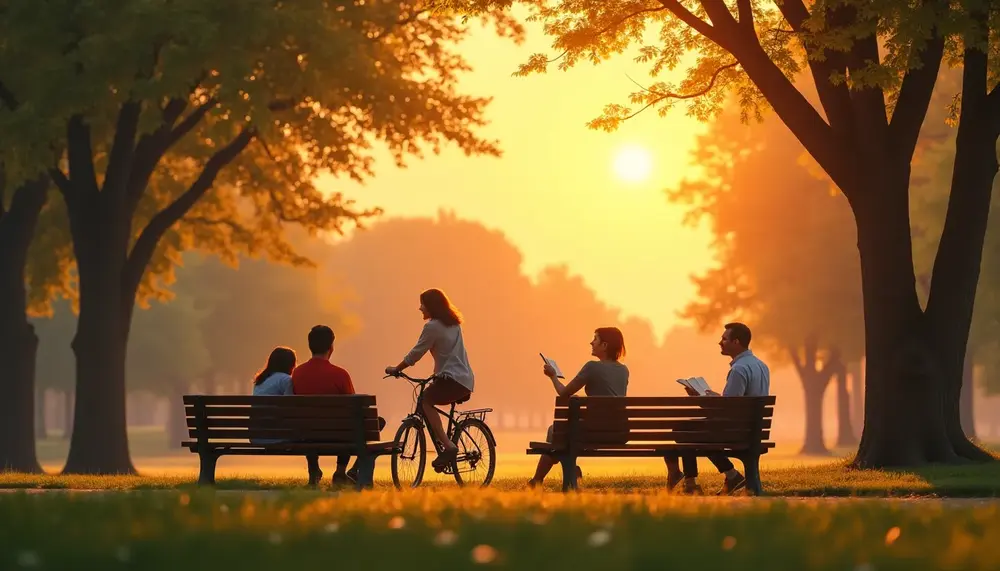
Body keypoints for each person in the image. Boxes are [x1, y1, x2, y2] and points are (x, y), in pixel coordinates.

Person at [664, 321, 770, 495]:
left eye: (724, 339)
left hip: (735, 430)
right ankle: (728, 475)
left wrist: (701, 398)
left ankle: (693, 483)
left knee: (682, 430)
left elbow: (727, 410)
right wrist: (713, 397)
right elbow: (735, 403)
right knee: (690, 430)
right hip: (752, 429)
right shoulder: (761, 366)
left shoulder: (739, 369)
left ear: (736, 342)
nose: (720, 342)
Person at [386, 288, 474, 473]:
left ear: (431, 306)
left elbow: (416, 353)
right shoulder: (454, 324)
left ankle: (449, 446)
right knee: (429, 398)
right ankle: (446, 446)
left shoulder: (432, 326)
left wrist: (397, 369)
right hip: (464, 379)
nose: (420, 308)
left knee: (426, 400)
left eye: (422, 304)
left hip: (451, 379)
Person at [528, 327, 629, 489]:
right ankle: (542, 479)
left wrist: (553, 376)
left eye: (595, 339)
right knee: (559, 435)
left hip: (593, 434)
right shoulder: (624, 370)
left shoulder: (592, 367)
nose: (591, 342)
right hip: (619, 433)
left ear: (604, 345)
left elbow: (564, 393)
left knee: (555, 433)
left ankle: (541, 479)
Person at [291, 325, 358, 486]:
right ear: (331, 347)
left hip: (305, 435)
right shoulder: (340, 374)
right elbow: (354, 407)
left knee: (309, 421)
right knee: (352, 424)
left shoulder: (297, 373)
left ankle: (314, 469)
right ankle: (340, 472)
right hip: (337, 436)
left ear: (310, 346)